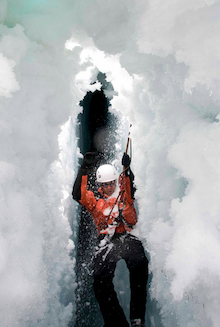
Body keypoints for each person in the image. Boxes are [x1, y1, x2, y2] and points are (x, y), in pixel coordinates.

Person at [72, 152, 148, 327]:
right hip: (107, 240)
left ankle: (137, 319)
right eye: (105, 184)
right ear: (100, 185)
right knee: (100, 280)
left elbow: (129, 181)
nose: (109, 187)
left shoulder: (124, 193)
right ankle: (116, 322)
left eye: (112, 183)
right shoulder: (95, 201)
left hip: (128, 237)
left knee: (140, 265)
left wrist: (127, 168)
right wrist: (85, 167)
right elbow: (78, 194)